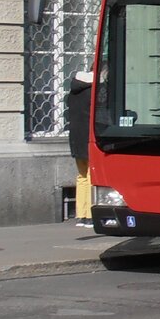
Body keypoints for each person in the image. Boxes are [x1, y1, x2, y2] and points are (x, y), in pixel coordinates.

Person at [66, 69, 93, 226]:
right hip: (89, 138)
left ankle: (80, 214)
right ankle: (90, 215)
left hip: (75, 139)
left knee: (82, 176)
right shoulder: (92, 91)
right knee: (90, 177)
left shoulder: (73, 91)